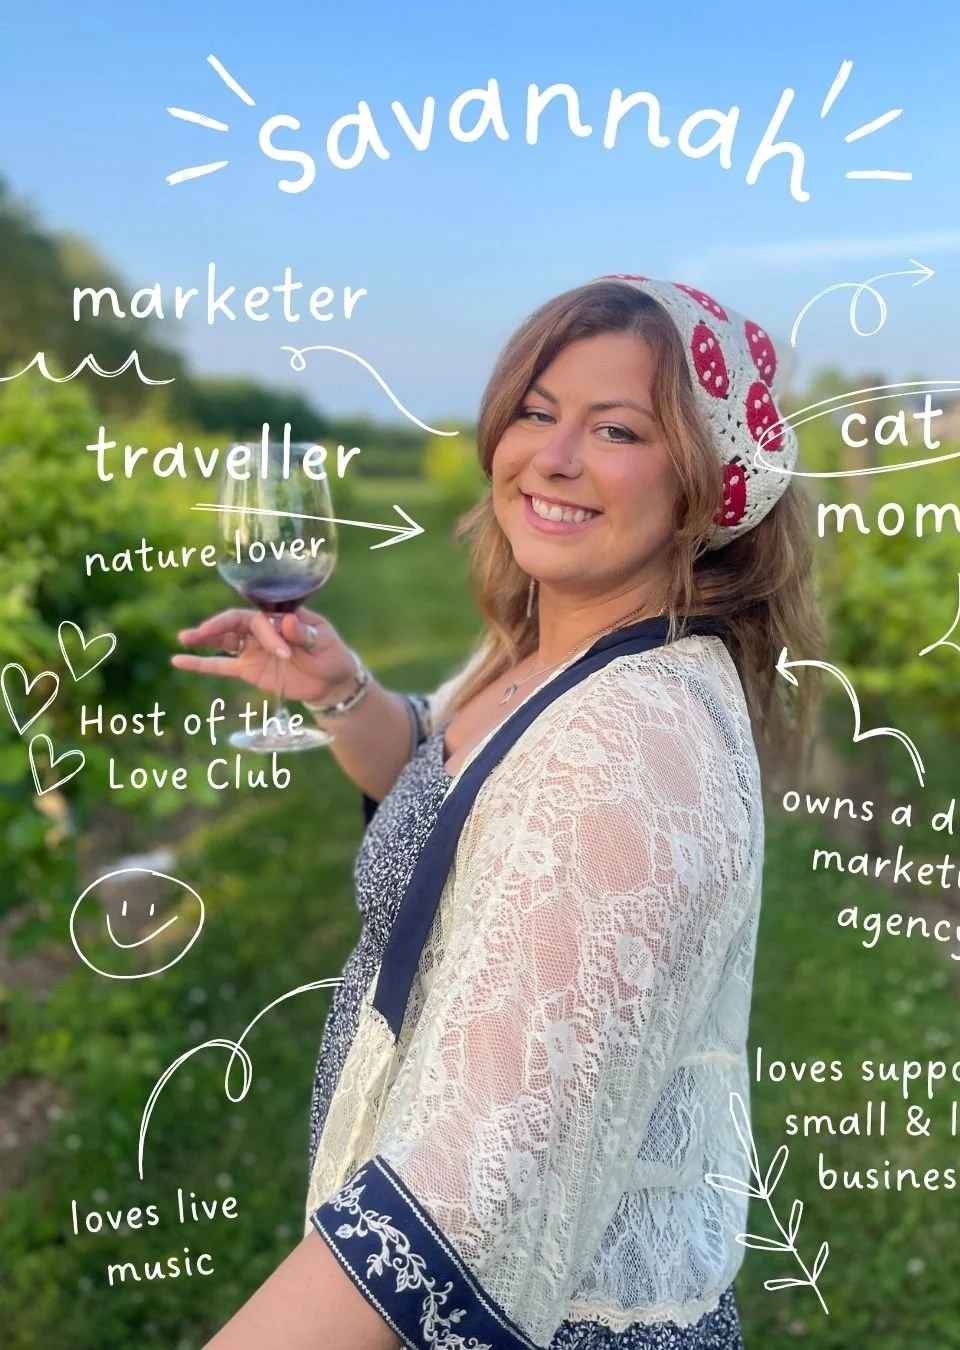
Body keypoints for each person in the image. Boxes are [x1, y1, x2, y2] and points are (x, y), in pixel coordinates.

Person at [174, 276, 824, 1349]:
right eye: (537, 409)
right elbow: (449, 790)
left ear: (710, 491)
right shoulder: (547, 655)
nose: (553, 457)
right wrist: (344, 697)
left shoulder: (633, 744)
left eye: (614, 429)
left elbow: (458, 1191)